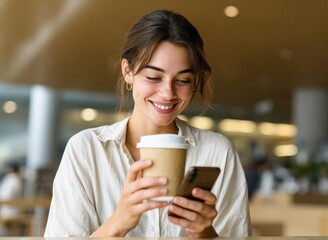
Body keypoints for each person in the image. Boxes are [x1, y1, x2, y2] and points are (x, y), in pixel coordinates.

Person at [44, 10, 251, 237]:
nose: (167, 93)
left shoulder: (217, 152)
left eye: (183, 80)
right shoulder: (87, 150)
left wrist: (204, 233)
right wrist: (118, 223)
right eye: (153, 77)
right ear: (128, 71)